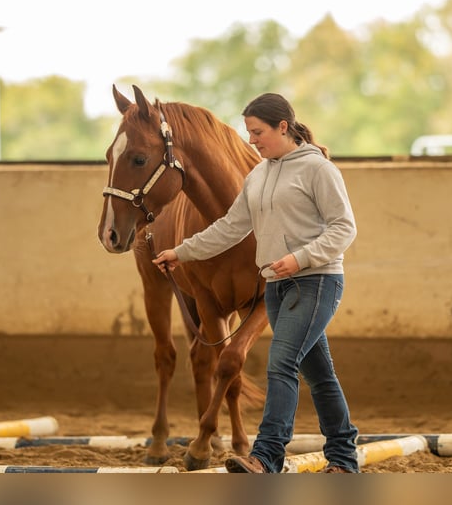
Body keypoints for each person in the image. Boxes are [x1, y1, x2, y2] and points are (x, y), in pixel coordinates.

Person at [152, 92, 359, 473]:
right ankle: (344, 458)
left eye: (258, 131)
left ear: (284, 127)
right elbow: (231, 227)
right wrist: (181, 252)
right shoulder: (259, 174)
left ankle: (266, 457)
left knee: (280, 364)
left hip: (315, 281)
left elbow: (345, 228)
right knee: (321, 376)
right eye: (249, 132)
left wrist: (299, 258)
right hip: (279, 286)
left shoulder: (318, 169)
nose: (252, 140)